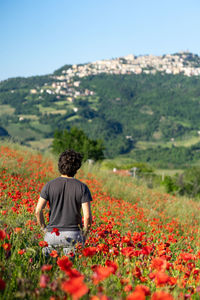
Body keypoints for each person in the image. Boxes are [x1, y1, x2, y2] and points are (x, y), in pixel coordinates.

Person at [35, 149, 92, 256]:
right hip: (73, 235)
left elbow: (38, 211)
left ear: (60, 165)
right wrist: (84, 234)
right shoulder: (82, 187)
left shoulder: (49, 185)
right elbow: (87, 216)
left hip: (52, 234)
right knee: (69, 270)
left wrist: (43, 229)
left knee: (49, 268)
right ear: (77, 168)